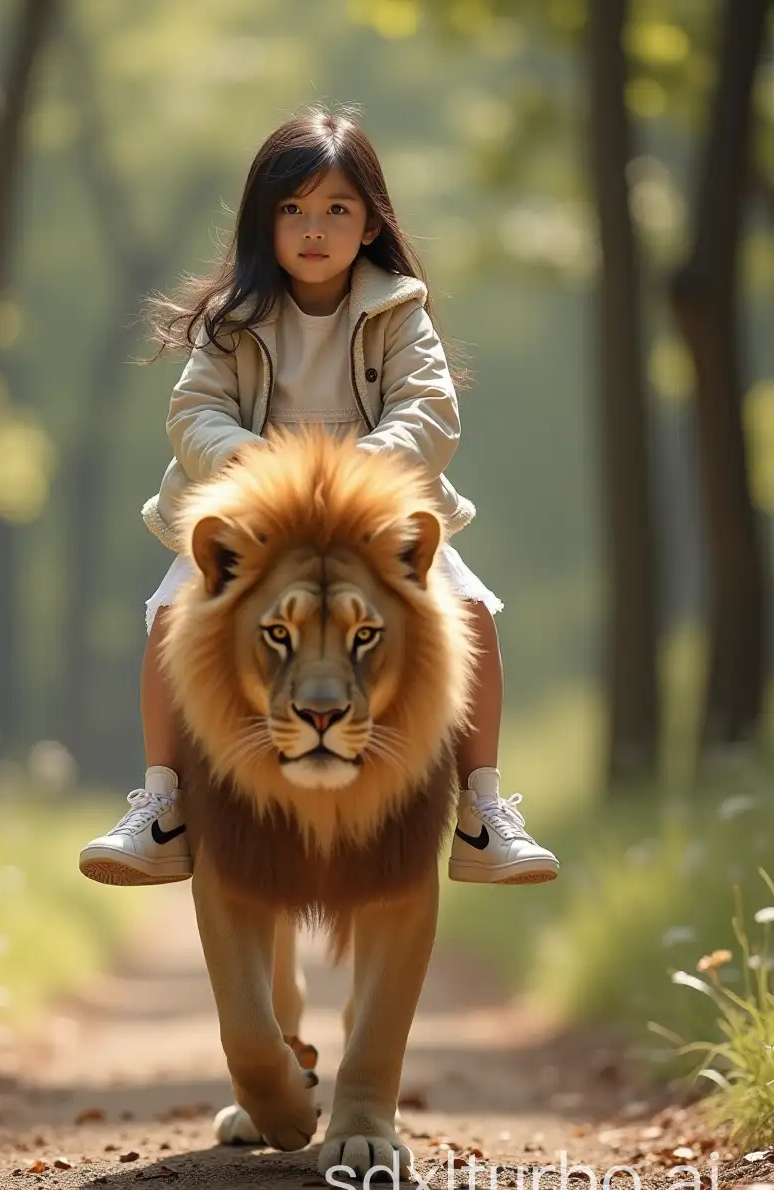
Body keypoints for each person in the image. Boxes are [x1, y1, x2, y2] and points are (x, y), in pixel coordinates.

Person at [78, 108, 559, 890]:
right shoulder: (232, 321)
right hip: (257, 528)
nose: (314, 228)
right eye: (292, 209)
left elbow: (430, 411)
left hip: (374, 528)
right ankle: (161, 805)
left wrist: (360, 478)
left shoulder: (399, 311)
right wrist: (253, 462)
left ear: (370, 223)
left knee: (470, 612)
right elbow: (191, 413)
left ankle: (482, 810)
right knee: (171, 616)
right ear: (262, 224)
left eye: (337, 208)